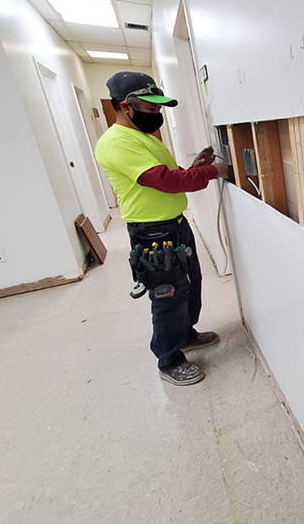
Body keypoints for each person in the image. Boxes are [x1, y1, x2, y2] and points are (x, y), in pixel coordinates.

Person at [94, 72, 230, 386]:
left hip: (174, 226)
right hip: (152, 233)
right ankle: (168, 359)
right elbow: (164, 182)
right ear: (125, 107)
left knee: (190, 282)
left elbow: (167, 175)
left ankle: (184, 334)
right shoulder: (116, 143)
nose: (157, 116)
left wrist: (194, 169)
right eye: (151, 109)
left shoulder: (142, 139)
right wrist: (212, 172)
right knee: (168, 294)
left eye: (159, 110)